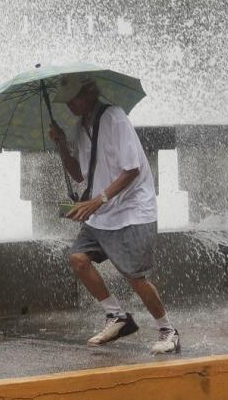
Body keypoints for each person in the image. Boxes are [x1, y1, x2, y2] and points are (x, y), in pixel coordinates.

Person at [48, 73, 180, 355]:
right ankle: (117, 316)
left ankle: (168, 330)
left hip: (132, 210)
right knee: (78, 259)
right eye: (67, 101)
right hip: (103, 212)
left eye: (73, 99)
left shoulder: (114, 118)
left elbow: (132, 169)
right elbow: (79, 174)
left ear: (88, 93)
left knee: (134, 275)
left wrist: (99, 200)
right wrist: (60, 143)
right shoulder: (78, 128)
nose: (69, 105)